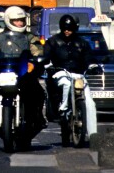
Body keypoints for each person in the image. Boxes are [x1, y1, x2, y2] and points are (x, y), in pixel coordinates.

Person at [0, 6, 46, 151]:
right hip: (4, 72)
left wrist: (37, 59)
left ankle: (37, 119)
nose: (20, 23)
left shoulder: (30, 37)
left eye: (21, 20)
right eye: (16, 21)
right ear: (9, 21)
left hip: (23, 75)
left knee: (38, 93)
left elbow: (38, 52)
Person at [43, 14, 98, 146]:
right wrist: (48, 66)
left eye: (70, 29)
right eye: (65, 28)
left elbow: (88, 57)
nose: (67, 31)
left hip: (78, 75)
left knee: (90, 103)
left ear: (75, 28)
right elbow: (46, 56)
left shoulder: (82, 43)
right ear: (61, 28)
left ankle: (93, 136)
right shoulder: (53, 41)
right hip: (60, 73)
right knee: (66, 83)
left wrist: (93, 66)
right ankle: (63, 108)